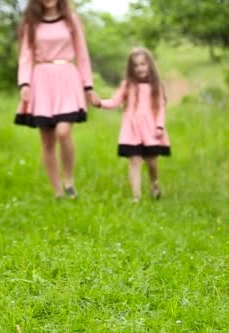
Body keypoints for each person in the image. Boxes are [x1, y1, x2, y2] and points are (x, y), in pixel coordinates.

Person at [15, 0, 99, 199]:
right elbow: (25, 56)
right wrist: (24, 83)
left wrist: (88, 86)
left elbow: (82, 55)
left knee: (63, 131)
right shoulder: (31, 23)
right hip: (41, 80)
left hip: (67, 78)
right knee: (47, 141)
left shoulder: (72, 21)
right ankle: (58, 191)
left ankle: (68, 180)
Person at [93, 47, 171, 202]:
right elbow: (115, 101)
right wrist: (99, 103)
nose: (140, 68)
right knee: (134, 161)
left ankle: (154, 184)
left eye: (143, 64)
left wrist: (159, 126)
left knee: (152, 162)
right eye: (136, 65)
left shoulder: (156, 86)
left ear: (149, 65)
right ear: (131, 69)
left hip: (151, 128)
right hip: (132, 129)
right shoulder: (127, 85)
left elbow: (161, 107)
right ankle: (136, 197)